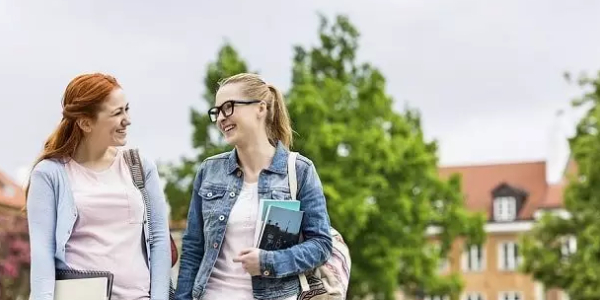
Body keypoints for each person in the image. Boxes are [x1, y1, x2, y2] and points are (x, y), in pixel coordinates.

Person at [175, 73, 333, 300]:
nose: (221, 118)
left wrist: (269, 262)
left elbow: (321, 245)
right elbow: (192, 249)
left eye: (228, 107)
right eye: (216, 111)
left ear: (260, 108)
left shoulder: (299, 171)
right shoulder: (209, 171)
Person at [26, 73, 172, 300]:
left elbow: (160, 238)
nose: (127, 119)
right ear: (86, 123)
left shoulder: (140, 166)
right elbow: (42, 253)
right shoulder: (50, 174)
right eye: (117, 113)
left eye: (127, 109)